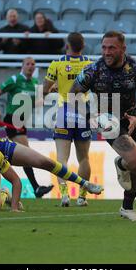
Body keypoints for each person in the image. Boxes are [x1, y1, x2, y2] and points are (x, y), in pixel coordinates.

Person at [69, 31, 136, 222]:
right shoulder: (93, 70)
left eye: (112, 48)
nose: (107, 52)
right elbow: (73, 93)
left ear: (123, 49)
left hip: (132, 119)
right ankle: (123, 163)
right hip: (108, 122)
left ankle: (127, 208)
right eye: (104, 47)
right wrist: (90, 115)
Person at [0, 134, 104, 211]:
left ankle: (85, 183)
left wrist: (15, 208)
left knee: (44, 162)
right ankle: (4, 194)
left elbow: (16, 180)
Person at [0, 57, 54, 198]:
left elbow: (37, 103)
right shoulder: (14, 80)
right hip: (13, 119)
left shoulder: (35, 83)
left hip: (22, 121)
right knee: (26, 153)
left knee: (7, 154)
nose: (31, 66)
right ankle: (36, 187)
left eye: (33, 64)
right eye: (28, 64)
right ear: (22, 66)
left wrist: (48, 92)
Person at [43, 32, 93, 207]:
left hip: (64, 110)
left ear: (67, 45)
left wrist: (54, 89)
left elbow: (44, 89)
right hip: (82, 110)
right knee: (84, 158)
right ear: (83, 46)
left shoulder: (57, 63)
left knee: (62, 159)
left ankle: (64, 195)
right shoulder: (89, 64)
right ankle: (82, 197)